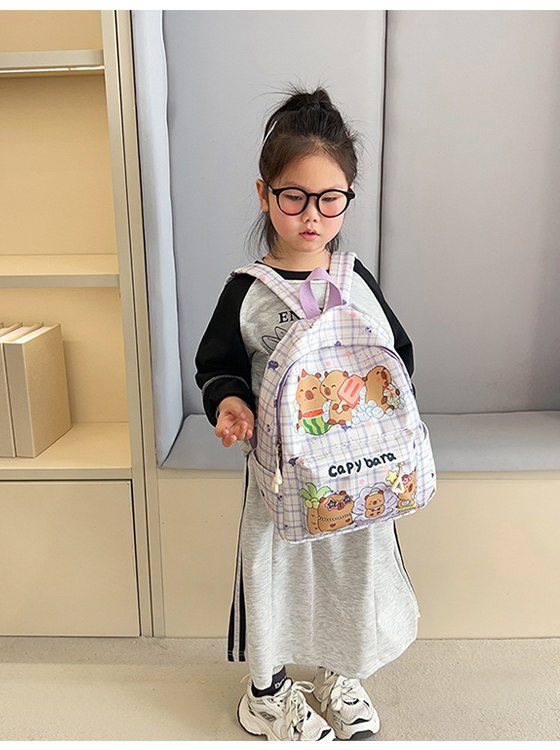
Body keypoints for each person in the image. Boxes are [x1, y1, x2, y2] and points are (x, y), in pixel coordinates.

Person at [195, 87, 419, 741]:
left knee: (352, 572)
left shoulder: (355, 279)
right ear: (264, 195)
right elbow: (218, 365)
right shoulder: (247, 291)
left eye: (330, 199)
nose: (312, 216)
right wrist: (230, 402)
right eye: (294, 197)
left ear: (348, 197)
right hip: (280, 477)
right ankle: (266, 693)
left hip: (355, 475)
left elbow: (397, 356)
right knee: (273, 574)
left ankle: (336, 672)